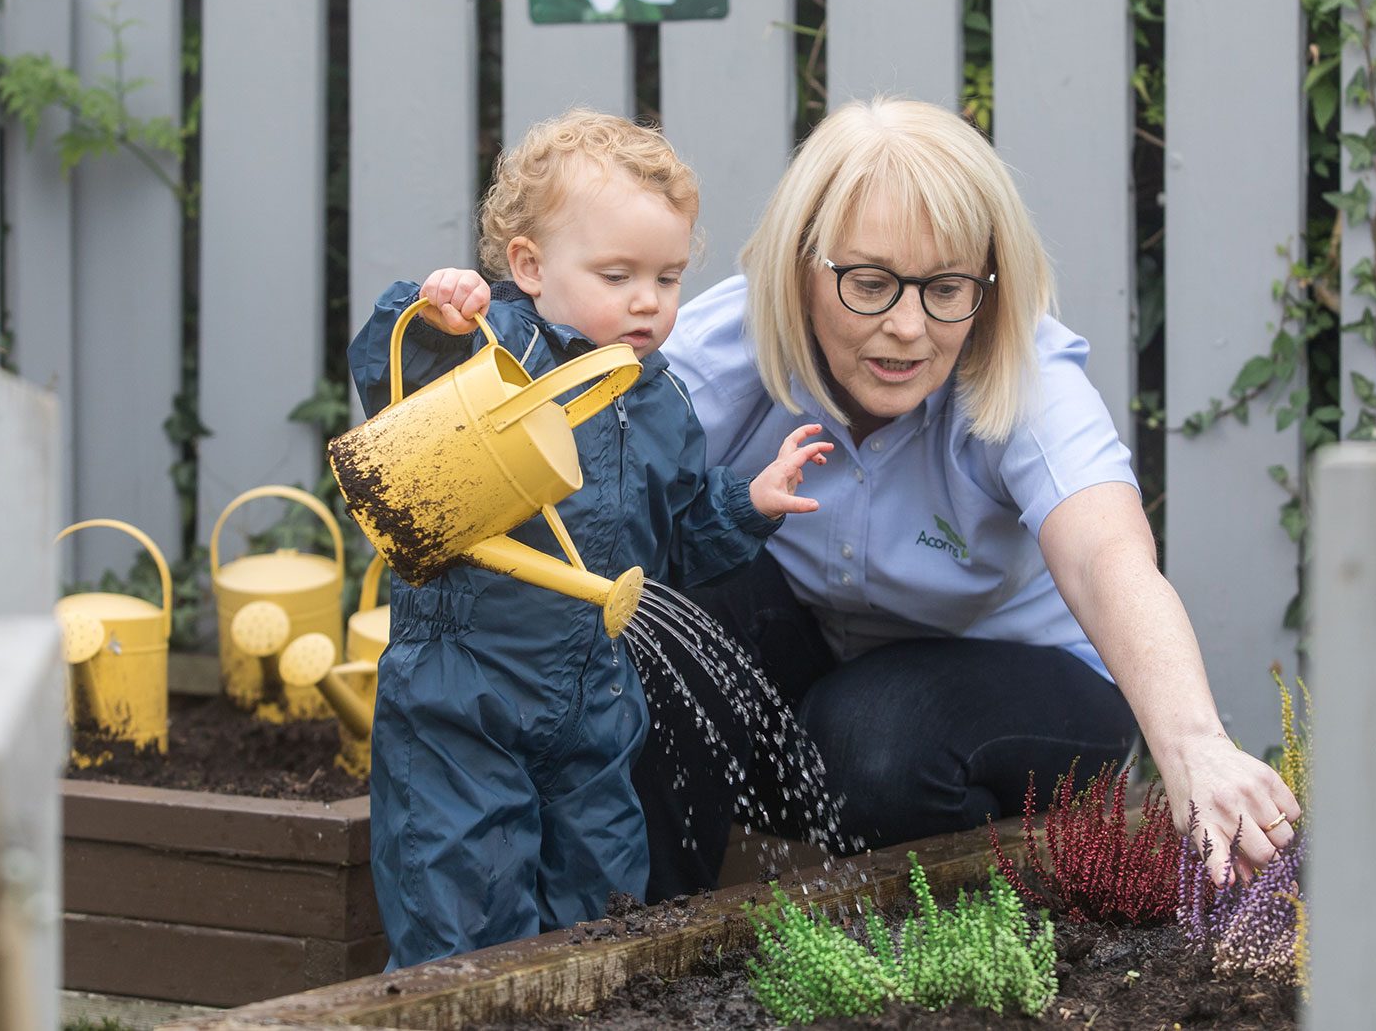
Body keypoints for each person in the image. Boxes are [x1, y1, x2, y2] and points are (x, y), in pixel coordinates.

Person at [631, 96, 1301, 900]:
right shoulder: (731, 338)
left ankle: (975, 909)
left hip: (1022, 680)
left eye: (946, 287)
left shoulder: (1024, 372)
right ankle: (653, 926)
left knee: (871, 745)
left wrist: (1196, 747)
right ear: (801, 267)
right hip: (818, 654)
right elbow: (585, 468)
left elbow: (1104, 555)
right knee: (654, 610)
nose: (909, 327)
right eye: (870, 282)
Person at [348, 109, 831, 965]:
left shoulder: (660, 401)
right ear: (529, 265)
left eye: (670, 277)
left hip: (595, 698)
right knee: (460, 896)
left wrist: (747, 504)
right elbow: (393, 377)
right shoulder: (493, 350)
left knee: (602, 893)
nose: (649, 300)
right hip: (465, 689)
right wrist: (437, 318)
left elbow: (674, 544)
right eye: (618, 274)